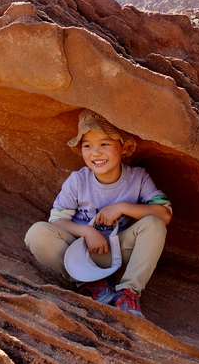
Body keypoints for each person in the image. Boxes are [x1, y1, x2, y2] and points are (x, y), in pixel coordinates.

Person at [24, 109, 172, 318]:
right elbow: (57, 221)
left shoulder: (138, 178)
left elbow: (164, 214)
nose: (96, 152)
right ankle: (92, 286)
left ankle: (127, 293)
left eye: (104, 144)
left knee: (154, 224)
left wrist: (122, 207)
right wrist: (86, 231)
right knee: (37, 232)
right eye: (87, 146)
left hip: (119, 253)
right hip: (82, 255)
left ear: (124, 147)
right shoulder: (78, 181)